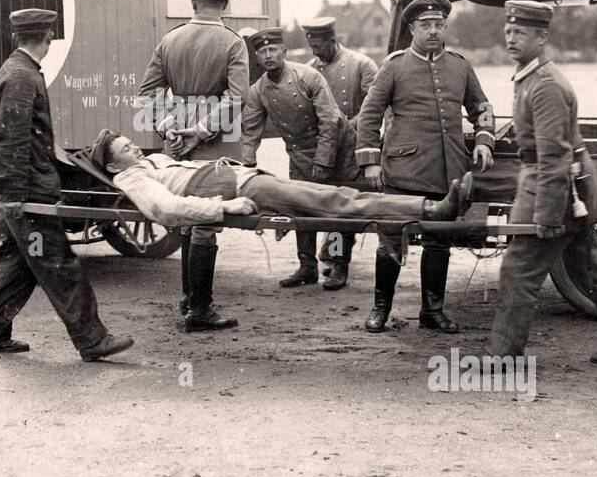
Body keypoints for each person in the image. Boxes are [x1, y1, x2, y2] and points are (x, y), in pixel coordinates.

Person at [487, 1, 597, 365]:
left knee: (518, 270)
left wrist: (546, 214)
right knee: (589, 268)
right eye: (508, 32)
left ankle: (504, 356)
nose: (511, 39)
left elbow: (553, 155)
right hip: (563, 187)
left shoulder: (545, 85)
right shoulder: (531, 76)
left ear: (542, 37)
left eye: (520, 33)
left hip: (555, 190)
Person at [0, 8, 133, 362]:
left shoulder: (17, 71)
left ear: (18, 37)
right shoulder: (21, 77)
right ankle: (92, 339)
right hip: (28, 195)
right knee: (57, 264)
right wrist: (13, 194)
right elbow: (10, 139)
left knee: (17, 265)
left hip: (23, 191)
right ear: (49, 38)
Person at [355, 0, 496, 333]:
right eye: (425, 25)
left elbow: (482, 108)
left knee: (438, 242)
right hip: (403, 172)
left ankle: (431, 311)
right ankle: (380, 310)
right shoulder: (394, 65)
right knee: (391, 241)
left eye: (439, 25)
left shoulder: (460, 66)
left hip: (446, 172)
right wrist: (370, 162)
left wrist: (483, 140)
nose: (433, 31)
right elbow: (369, 116)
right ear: (412, 29)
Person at [136, 0, 249, 330]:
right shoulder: (233, 43)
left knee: (189, 218)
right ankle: (199, 310)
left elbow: (147, 94)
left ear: (193, 3)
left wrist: (169, 127)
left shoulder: (169, 40)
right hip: (217, 139)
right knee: (206, 222)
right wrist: (202, 130)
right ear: (224, 6)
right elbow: (236, 97)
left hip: (177, 140)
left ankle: (189, 300)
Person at [92, 130, 472, 231]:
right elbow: (166, 210)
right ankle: (433, 209)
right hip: (243, 190)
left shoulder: (150, 164)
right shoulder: (134, 181)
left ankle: (432, 207)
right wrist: (223, 207)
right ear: (113, 168)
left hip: (247, 178)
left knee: (339, 194)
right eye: (126, 149)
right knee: (340, 204)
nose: (135, 150)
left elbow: (176, 172)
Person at [239, 27, 359, 289]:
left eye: (273, 50)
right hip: (299, 153)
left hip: (336, 150)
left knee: (335, 212)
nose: (268, 55)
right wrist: (246, 165)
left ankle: (338, 265)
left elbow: (331, 120)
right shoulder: (258, 90)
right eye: (262, 51)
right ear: (257, 57)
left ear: (284, 52)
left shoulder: (308, 76)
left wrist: (323, 161)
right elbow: (250, 130)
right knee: (300, 208)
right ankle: (307, 267)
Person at [302, 16, 379, 287]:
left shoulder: (362, 65)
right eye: (311, 47)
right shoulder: (310, 69)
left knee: (341, 209)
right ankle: (317, 259)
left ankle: (337, 264)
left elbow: (374, 109)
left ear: (333, 39)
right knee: (315, 205)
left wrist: (346, 129)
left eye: (320, 46)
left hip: (352, 148)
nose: (316, 53)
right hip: (323, 148)